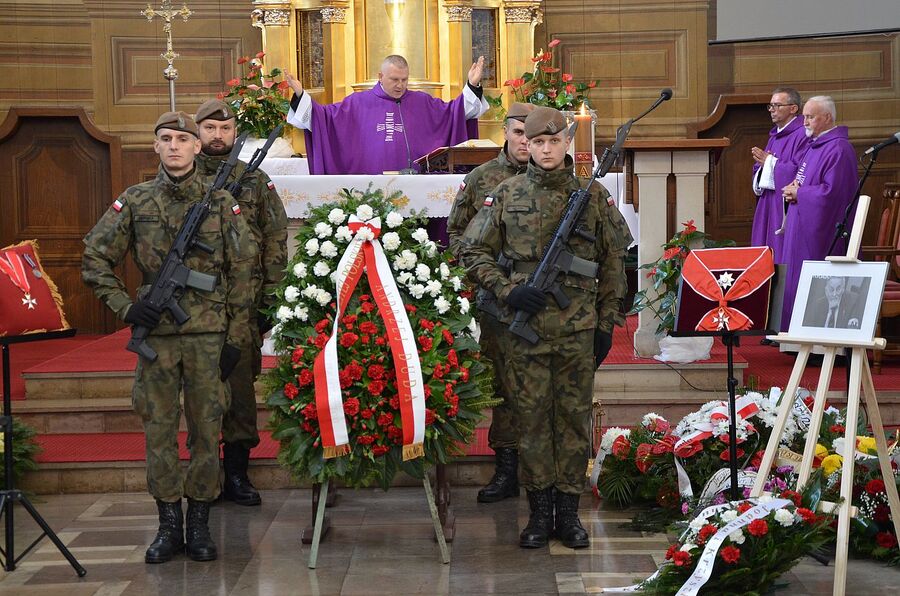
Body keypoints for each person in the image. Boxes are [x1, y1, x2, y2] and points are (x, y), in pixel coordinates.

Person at [82, 112, 256, 563]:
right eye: (166, 138)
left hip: (208, 337)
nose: (175, 146)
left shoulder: (221, 202)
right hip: (157, 336)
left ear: (197, 146)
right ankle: (168, 525)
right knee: (158, 429)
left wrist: (236, 338)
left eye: (182, 138)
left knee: (207, 429)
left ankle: (198, 522)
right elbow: (94, 257)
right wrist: (125, 307)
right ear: (155, 146)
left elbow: (243, 272)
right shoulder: (135, 200)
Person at [460, 107, 631, 549]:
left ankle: (569, 515)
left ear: (567, 143)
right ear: (526, 145)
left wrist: (607, 323)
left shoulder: (592, 196)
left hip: (578, 329)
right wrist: (508, 291)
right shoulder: (506, 192)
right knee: (532, 421)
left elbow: (615, 262)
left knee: (573, 420)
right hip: (525, 331)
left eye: (555, 141)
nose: (547, 149)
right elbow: (471, 251)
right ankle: (538, 513)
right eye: (538, 142)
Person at [194, 99, 289, 506]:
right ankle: (204, 475)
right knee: (199, 393)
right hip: (194, 307)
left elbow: (275, 239)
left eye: (226, 129)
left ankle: (236, 473)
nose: (218, 136)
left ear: (235, 133)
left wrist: (270, 300)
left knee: (240, 391)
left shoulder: (254, 180)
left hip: (242, 305)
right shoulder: (181, 177)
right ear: (197, 131)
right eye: (210, 128)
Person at [447, 102, 534, 503]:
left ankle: (542, 471)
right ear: (506, 134)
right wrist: (480, 280)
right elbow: (457, 235)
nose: (525, 142)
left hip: (543, 300)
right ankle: (506, 468)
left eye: (532, 135)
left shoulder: (556, 181)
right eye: (518, 133)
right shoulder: (482, 179)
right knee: (503, 383)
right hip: (496, 299)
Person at [284, 54, 489, 174]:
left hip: (415, 186)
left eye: (404, 80)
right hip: (369, 188)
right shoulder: (357, 103)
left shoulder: (422, 102)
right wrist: (301, 95)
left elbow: (455, 113)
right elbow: (323, 119)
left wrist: (472, 85)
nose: (400, 85)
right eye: (394, 80)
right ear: (380, 76)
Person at [780, 96, 858, 331]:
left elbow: (834, 194)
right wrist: (793, 188)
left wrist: (800, 193)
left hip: (821, 233)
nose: (804, 122)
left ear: (827, 117)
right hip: (801, 226)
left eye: (810, 117)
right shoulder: (815, 145)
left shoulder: (839, 148)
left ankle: (812, 337)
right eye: (804, 116)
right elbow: (804, 179)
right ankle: (794, 334)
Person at [750, 87, 808, 262]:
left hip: (784, 204)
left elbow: (800, 171)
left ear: (793, 108)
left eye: (777, 105)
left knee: (781, 253)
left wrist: (769, 162)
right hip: (768, 202)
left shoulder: (802, 134)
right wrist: (764, 165)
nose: (772, 110)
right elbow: (762, 168)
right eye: (770, 106)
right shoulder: (775, 136)